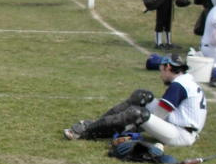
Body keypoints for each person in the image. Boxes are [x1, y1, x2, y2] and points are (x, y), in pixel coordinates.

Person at [64, 54, 206, 147]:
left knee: (137, 114)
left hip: (181, 135)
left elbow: (157, 116)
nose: (160, 74)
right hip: (179, 126)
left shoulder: (178, 85)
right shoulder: (186, 80)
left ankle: (86, 131)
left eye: (161, 70)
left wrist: (130, 125)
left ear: (168, 67)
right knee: (142, 96)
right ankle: (96, 124)